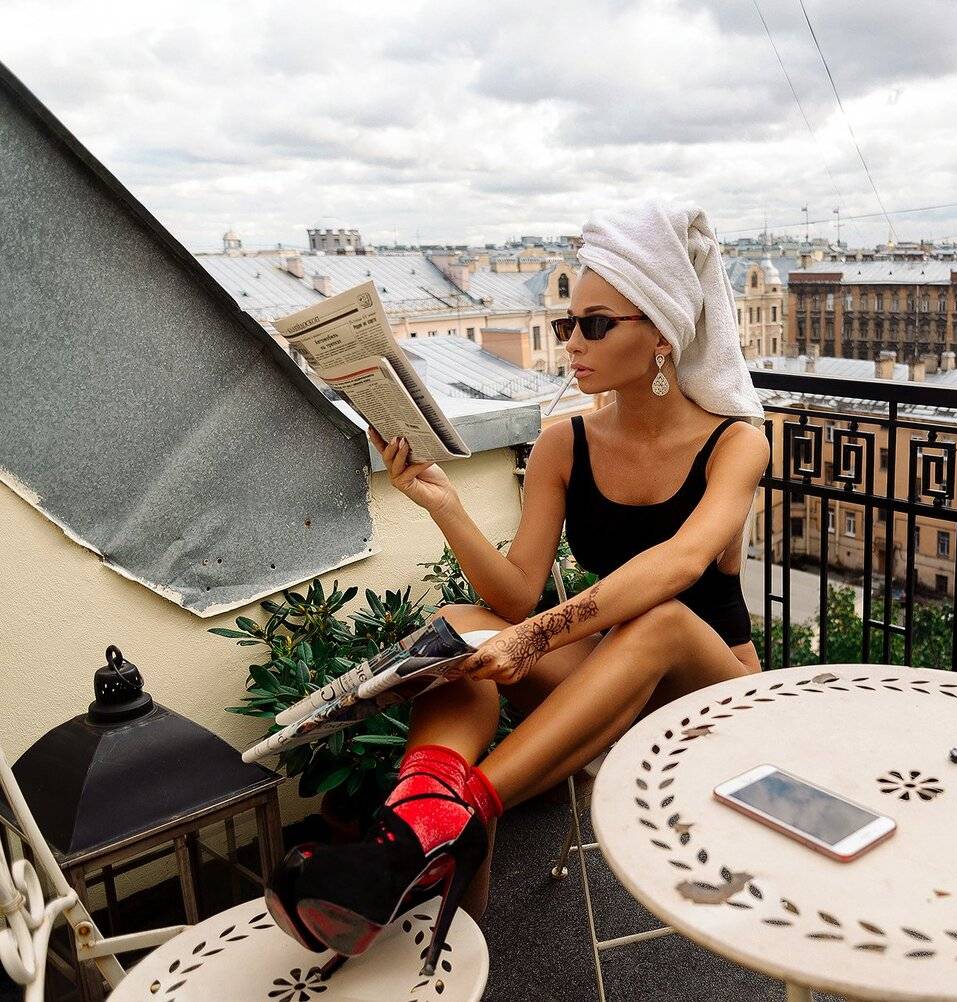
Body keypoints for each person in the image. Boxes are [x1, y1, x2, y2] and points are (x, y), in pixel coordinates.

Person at [267, 198, 770, 972]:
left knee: (662, 619)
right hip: (609, 685)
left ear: (662, 336)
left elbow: (679, 563)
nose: (572, 342)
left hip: (717, 696)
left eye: (595, 324)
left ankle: (434, 830)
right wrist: (442, 504)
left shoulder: (737, 443)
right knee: (464, 625)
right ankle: (431, 827)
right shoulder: (564, 443)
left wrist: (535, 637)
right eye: (568, 323)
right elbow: (512, 597)